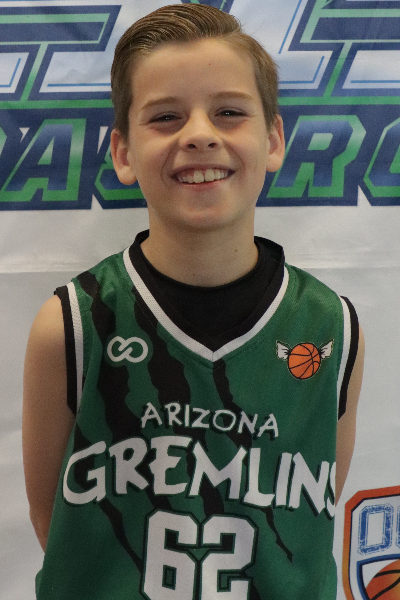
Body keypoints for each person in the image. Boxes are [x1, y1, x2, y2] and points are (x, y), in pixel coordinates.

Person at [23, 4, 364, 599]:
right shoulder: (73, 323)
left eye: (229, 112)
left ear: (273, 140)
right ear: (123, 153)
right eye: (166, 117)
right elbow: (56, 526)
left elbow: (312, 518)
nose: (200, 134)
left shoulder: (332, 327)